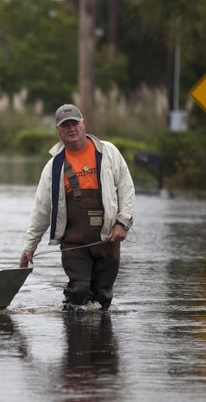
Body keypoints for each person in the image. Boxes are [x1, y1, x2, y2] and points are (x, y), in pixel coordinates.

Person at [19, 104, 135, 310]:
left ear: (83, 124)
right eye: (65, 126)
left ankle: (101, 341)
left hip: (108, 238)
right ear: (58, 130)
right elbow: (41, 210)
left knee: (103, 297)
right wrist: (30, 246)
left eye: (74, 123)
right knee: (79, 290)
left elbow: (126, 188)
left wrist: (123, 223)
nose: (71, 129)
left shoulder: (108, 152)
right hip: (73, 243)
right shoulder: (53, 167)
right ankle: (74, 333)